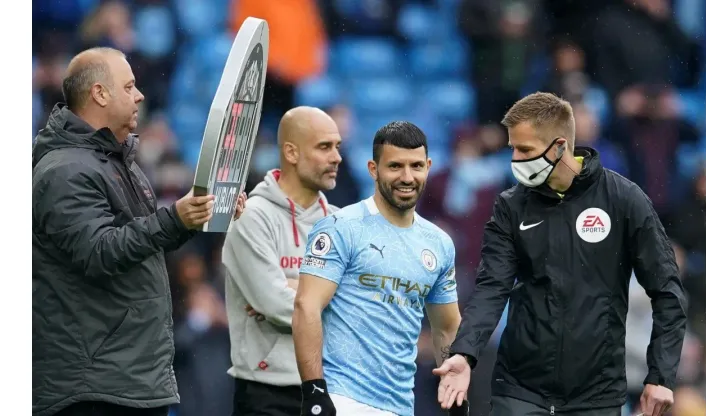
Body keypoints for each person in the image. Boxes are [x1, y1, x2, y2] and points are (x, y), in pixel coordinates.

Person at [433, 92, 688, 416]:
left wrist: (661, 376)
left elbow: (667, 291)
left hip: (596, 396)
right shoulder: (510, 206)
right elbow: (491, 288)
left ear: (557, 147)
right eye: (513, 147)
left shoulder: (624, 200)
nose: (515, 159)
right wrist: (465, 353)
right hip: (519, 393)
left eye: (524, 149)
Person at [32, 47, 246, 416]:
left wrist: (196, 215)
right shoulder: (65, 170)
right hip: (93, 388)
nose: (140, 95)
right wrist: (175, 219)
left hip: (129, 379)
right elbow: (100, 252)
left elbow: (143, 244)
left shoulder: (117, 162)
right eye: (129, 86)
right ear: (99, 93)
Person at [292, 121, 468, 416]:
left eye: (416, 166)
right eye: (395, 166)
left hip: (400, 405)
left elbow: (446, 326)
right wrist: (314, 390)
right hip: (341, 399)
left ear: (428, 166)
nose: (407, 177)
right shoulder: (340, 228)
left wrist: (456, 394)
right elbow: (305, 306)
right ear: (373, 169)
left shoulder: (439, 244)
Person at [221, 106, 342, 416]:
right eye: (324, 147)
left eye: (337, 147)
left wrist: (298, 288)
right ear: (291, 152)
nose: (337, 157)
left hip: (334, 386)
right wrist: (331, 295)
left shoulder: (343, 224)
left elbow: (368, 305)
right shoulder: (252, 218)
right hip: (267, 393)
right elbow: (278, 306)